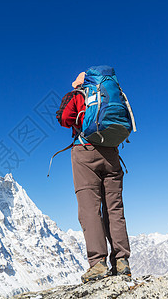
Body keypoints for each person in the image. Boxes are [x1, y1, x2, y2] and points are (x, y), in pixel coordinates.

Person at [56, 72, 131, 283]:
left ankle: (98, 264)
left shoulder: (77, 94)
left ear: (82, 83)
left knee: (89, 208)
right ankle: (122, 261)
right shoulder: (114, 93)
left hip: (85, 151)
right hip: (112, 153)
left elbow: (64, 118)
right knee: (114, 208)